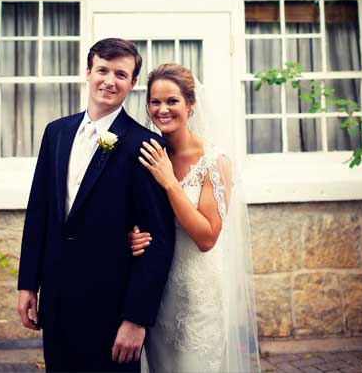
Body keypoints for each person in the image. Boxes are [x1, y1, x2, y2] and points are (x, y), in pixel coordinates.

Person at [17, 38, 176, 373]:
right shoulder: (55, 133)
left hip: (112, 308)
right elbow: (39, 212)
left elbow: (158, 239)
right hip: (57, 301)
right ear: (87, 72)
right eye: (102, 70)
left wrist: (136, 319)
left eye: (121, 74)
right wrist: (28, 284)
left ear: (133, 84)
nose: (109, 80)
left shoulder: (146, 145)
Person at [130, 63, 260, 373]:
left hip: (198, 293)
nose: (162, 109)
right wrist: (131, 234)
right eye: (155, 102)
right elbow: (135, 213)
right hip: (158, 291)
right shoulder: (148, 153)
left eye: (172, 101)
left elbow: (207, 237)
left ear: (190, 104)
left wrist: (170, 182)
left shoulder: (214, 162)